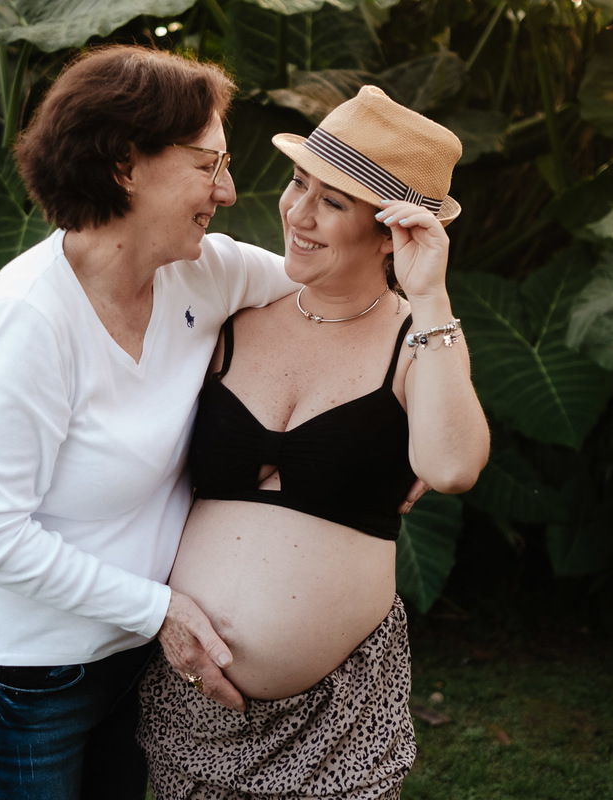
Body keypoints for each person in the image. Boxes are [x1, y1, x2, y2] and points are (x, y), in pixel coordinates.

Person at [0, 46, 299, 800]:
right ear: (126, 166)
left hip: (129, 661)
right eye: (207, 165)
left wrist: (402, 426)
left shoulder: (207, 271)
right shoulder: (34, 317)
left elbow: (331, 295)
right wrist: (160, 610)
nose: (226, 194)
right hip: (21, 678)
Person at [137, 86, 491, 799]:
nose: (297, 213)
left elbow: (450, 467)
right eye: (300, 183)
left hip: (336, 724)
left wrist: (430, 294)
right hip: (188, 706)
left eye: (333, 202)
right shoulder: (233, 318)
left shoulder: (419, 342)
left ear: (392, 229)